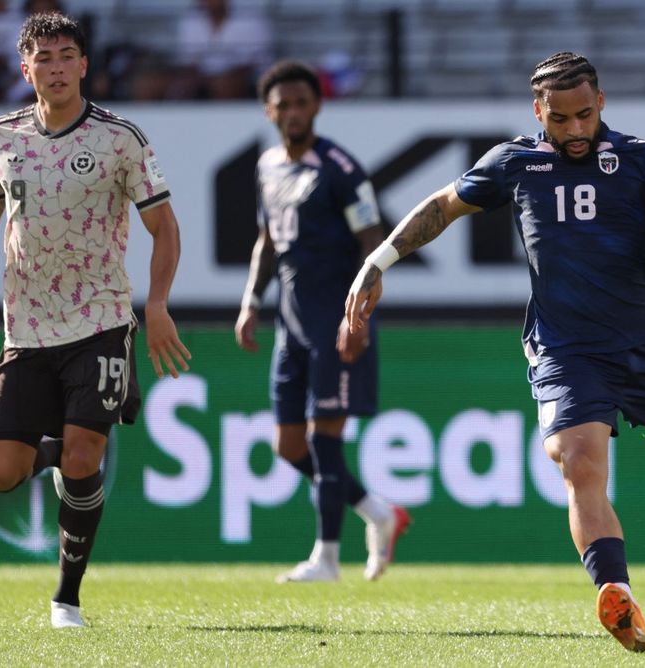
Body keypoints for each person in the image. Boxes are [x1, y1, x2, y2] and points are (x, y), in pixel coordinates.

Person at [346, 52, 645, 653]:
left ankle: (642, 417)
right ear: (538, 111)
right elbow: (442, 206)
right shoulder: (514, 162)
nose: (575, 130)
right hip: (565, 346)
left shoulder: (643, 157)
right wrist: (377, 261)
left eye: (585, 115)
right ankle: (616, 594)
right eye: (561, 119)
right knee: (579, 463)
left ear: (602, 103)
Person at [0, 13, 191, 628]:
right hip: (25, 329)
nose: (55, 68)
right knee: (2, 472)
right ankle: (68, 448)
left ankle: (66, 597)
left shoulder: (120, 139)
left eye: (66, 56)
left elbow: (163, 226)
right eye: (43, 57)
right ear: (24, 66)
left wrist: (157, 304)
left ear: (83, 64)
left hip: (101, 322)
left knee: (85, 457)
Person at [235, 60, 410, 583]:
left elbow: (373, 243)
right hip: (291, 324)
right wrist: (250, 303)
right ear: (269, 110)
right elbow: (267, 241)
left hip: (336, 321)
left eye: (300, 103)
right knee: (289, 447)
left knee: (324, 439)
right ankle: (378, 513)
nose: (291, 112)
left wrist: (358, 317)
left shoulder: (340, 168)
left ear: (317, 106)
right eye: (281, 104)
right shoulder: (268, 166)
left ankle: (327, 558)